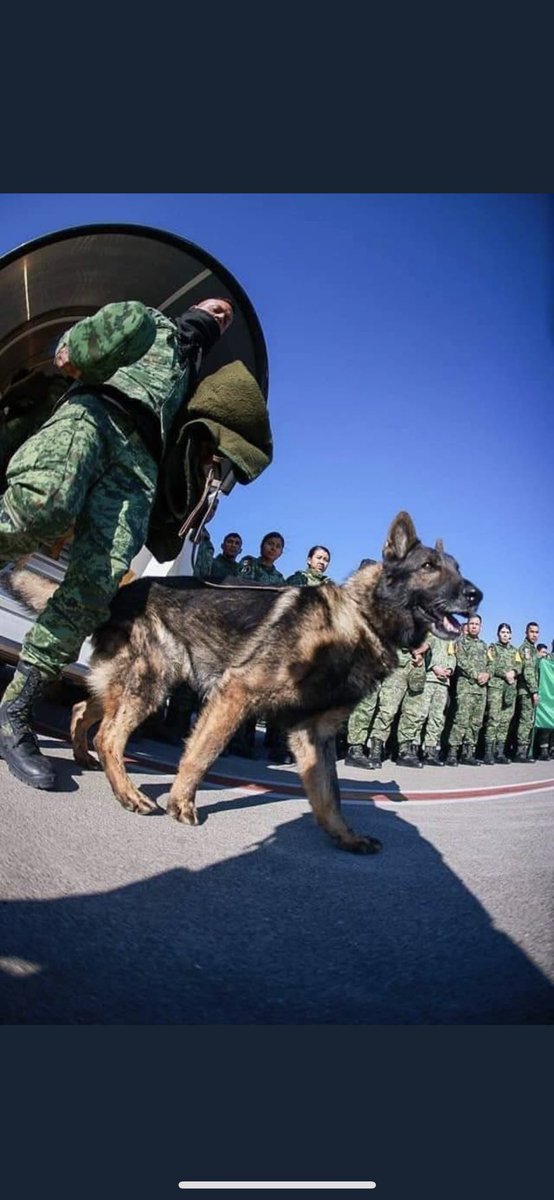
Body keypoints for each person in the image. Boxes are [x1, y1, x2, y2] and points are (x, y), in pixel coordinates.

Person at [0, 296, 234, 790]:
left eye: (226, 318)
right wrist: (78, 346)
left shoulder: (195, 386)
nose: (221, 316)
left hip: (139, 465)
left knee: (95, 587)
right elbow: (74, 349)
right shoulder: (148, 322)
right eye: (216, 308)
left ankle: (15, 711)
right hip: (95, 414)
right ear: (195, 305)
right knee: (40, 508)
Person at [395, 631, 456, 766]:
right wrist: (434, 667)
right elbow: (423, 648)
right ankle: (412, 749)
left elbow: (452, 656)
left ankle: (430, 752)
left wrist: (449, 669)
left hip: (443, 683)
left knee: (437, 718)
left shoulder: (449, 639)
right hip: (428, 678)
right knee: (419, 714)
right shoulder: (430, 632)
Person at [445, 614, 490, 765]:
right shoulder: (461, 642)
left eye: (477, 624)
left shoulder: (484, 645)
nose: (474, 626)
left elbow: (491, 664)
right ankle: (452, 753)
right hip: (466, 687)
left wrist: (487, 674)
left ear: (480, 627)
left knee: (476, 723)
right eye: (471, 624)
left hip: (481, 689)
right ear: (468, 626)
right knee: (461, 720)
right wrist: (476, 675)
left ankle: (468, 753)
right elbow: (461, 661)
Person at [482, 623, 522, 764]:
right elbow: (491, 665)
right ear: (498, 634)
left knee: (505, 720)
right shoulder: (493, 648)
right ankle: (488, 752)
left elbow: (519, 664)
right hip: (496, 688)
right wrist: (505, 674)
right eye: (502, 632)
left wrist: (514, 672)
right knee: (493, 719)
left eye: (507, 632)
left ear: (510, 635)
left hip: (510, 689)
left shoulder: (515, 650)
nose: (505, 635)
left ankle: (499, 752)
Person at [514, 621, 540, 762]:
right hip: (526, 691)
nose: (534, 635)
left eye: (536, 632)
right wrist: (534, 691)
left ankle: (523, 750)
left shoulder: (533, 650)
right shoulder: (526, 649)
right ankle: (521, 752)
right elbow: (528, 672)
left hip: (530, 690)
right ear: (526, 632)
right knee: (525, 721)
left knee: (527, 720)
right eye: (532, 632)